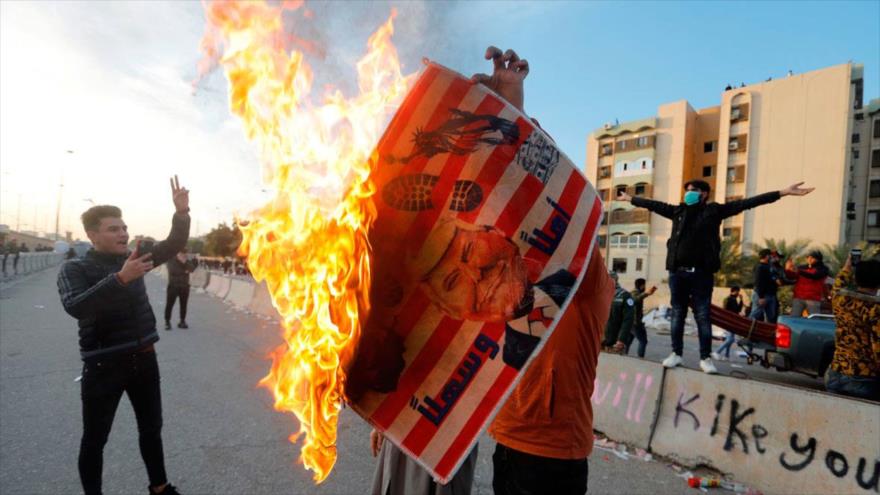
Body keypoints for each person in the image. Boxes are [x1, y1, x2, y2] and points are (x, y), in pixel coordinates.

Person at [474, 46, 615, 495]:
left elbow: (555, 191)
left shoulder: (590, 282)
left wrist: (518, 111)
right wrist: (497, 115)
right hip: (507, 439)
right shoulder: (515, 276)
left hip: (556, 456)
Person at [57, 176, 189, 495]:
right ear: (92, 235)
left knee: (151, 430)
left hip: (144, 359)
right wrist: (120, 278)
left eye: (124, 227)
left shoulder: (136, 257)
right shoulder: (75, 269)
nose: (123, 234)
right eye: (113, 229)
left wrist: (182, 213)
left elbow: (173, 244)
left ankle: (159, 487)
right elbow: (77, 306)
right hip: (104, 366)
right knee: (95, 439)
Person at [617, 179, 814, 374]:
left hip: (702, 275)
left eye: (692, 190)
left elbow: (748, 203)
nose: (688, 193)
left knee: (703, 316)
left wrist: (783, 192)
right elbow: (653, 205)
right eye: (686, 190)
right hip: (678, 274)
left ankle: (705, 358)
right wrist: (630, 198)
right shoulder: (678, 211)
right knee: (678, 314)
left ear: (704, 194)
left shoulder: (714, 212)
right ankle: (676, 354)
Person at [825, 256, 880, 401]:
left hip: (835, 373)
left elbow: (837, 284)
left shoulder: (840, 300)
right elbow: (877, 347)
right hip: (864, 378)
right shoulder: (875, 308)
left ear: (856, 280)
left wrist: (847, 266)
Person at [785, 250, 829, 316]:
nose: (809, 259)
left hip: (813, 299)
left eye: (812, 257)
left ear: (818, 259)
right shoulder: (802, 267)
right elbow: (792, 277)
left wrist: (799, 271)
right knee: (794, 317)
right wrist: (787, 270)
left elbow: (815, 276)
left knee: (814, 319)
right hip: (798, 298)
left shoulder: (823, 269)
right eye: (808, 257)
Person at [601, 272, 634, 354]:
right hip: (599, 343)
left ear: (614, 280)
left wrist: (621, 339)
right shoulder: (601, 293)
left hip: (615, 345)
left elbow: (628, 319)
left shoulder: (625, 296)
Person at [712, 286, 744, 361]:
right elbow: (736, 310)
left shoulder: (732, 299)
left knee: (729, 338)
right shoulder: (730, 299)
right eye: (737, 291)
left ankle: (726, 356)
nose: (738, 293)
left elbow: (737, 310)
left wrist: (741, 300)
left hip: (730, 321)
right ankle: (717, 352)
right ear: (734, 291)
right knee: (730, 339)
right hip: (730, 321)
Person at [164, 250, 194, 330]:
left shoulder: (187, 261)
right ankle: (167, 322)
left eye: (185, 253)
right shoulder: (171, 260)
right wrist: (185, 270)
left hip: (184, 286)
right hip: (173, 286)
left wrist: (184, 263)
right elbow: (173, 271)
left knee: (183, 305)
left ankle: (182, 321)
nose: (183, 255)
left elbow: (192, 269)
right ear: (177, 253)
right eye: (181, 253)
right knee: (169, 305)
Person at [626, 278, 656, 358]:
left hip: (631, 322)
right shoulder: (634, 293)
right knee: (643, 341)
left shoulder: (636, 293)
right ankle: (640, 358)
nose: (645, 287)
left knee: (628, 340)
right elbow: (635, 300)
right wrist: (646, 293)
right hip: (635, 322)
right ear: (642, 285)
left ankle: (624, 356)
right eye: (644, 285)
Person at [750, 249, 781, 323]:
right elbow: (759, 283)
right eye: (770, 255)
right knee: (755, 314)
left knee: (771, 317)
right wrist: (761, 297)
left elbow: (773, 276)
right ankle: (745, 330)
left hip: (771, 294)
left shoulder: (769, 266)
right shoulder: (760, 267)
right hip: (763, 296)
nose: (771, 257)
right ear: (767, 256)